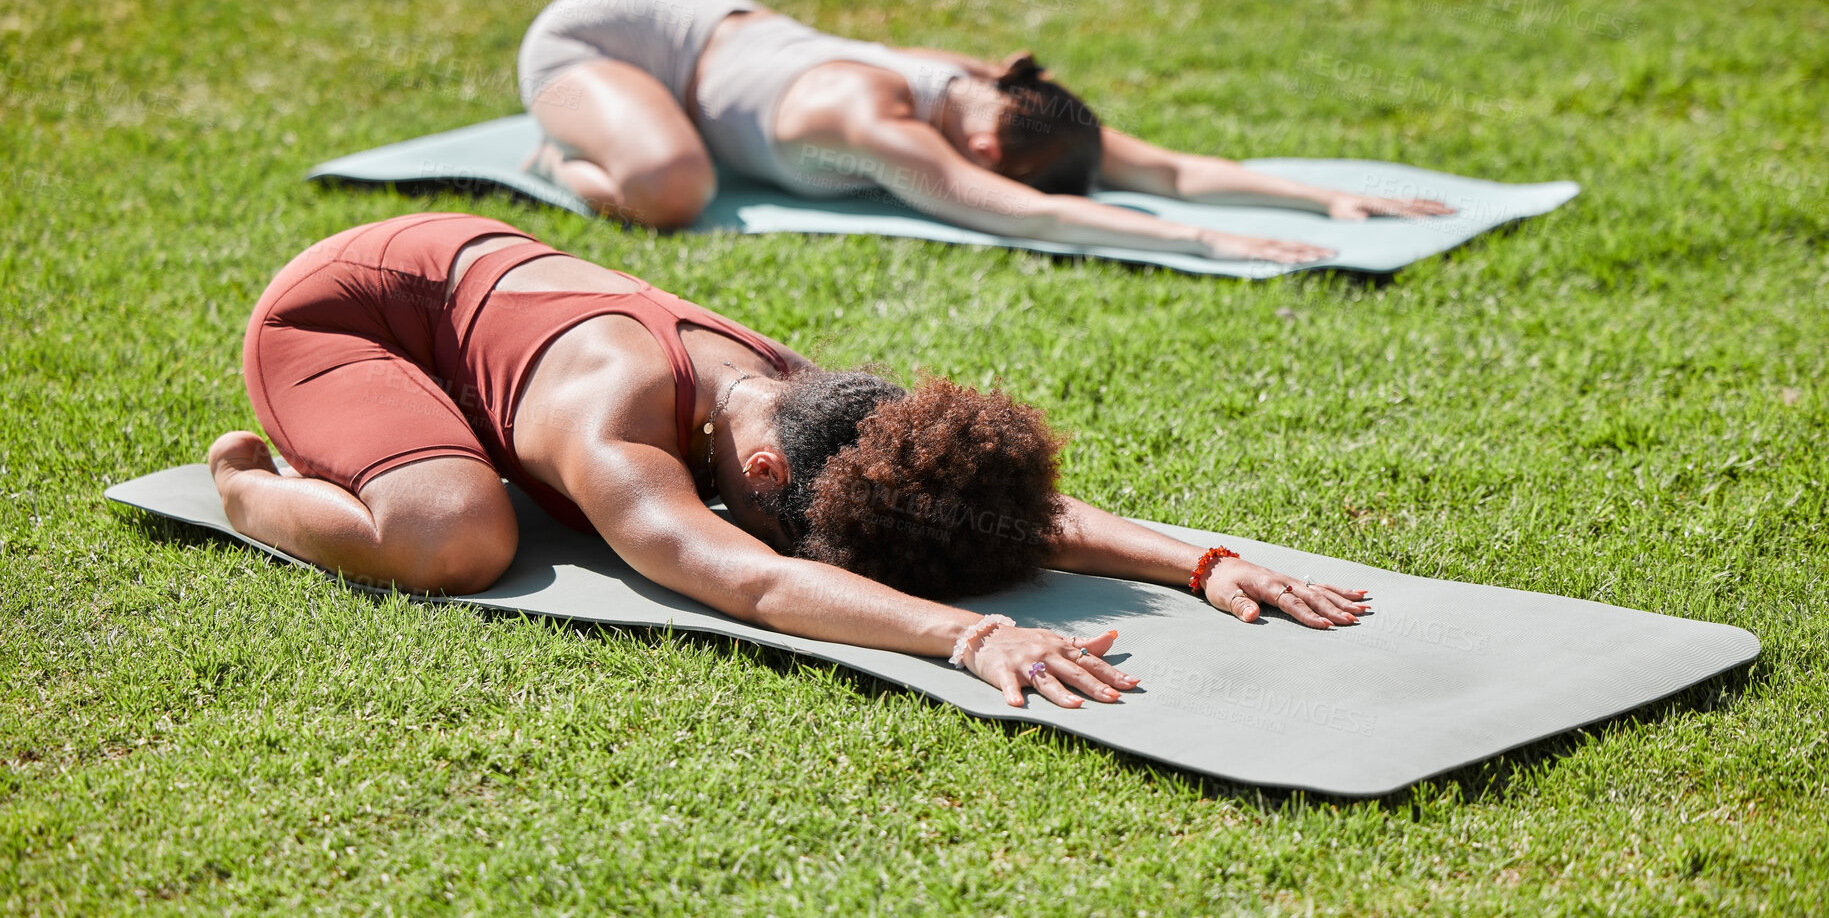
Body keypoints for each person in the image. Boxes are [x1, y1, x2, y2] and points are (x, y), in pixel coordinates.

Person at [209, 213, 1371, 708]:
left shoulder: (814, 405)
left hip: (469, 272)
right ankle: (248, 485)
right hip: (345, 312)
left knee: (495, 514)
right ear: (764, 479)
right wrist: (969, 636)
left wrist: (1199, 559)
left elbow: (953, 498)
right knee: (456, 534)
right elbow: (749, 581)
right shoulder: (613, 428)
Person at [514, 0, 1452, 264]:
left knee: (683, 165)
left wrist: (1318, 197)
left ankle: (623, 132)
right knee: (672, 188)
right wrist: (1208, 242)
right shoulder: (870, 120)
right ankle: (556, 160)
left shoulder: (1001, 90)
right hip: (592, 47)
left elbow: (1152, 165)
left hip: (704, 19)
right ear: (989, 143)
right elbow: (1009, 210)